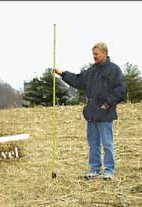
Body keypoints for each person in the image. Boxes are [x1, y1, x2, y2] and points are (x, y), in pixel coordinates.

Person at [54, 42, 127, 180]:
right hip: (91, 114)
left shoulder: (114, 70)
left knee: (107, 143)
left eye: (96, 54)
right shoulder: (91, 71)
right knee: (93, 143)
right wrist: (62, 74)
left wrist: (107, 104)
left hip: (106, 114)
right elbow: (78, 80)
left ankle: (109, 171)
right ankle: (94, 170)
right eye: (93, 54)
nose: (94, 56)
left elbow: (121, 90)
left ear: (104, 53)